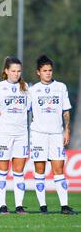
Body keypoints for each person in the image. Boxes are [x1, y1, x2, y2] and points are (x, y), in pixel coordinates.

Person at [29, 55, 77, 215]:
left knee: (59, 169)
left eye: (50, 70)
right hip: (38, 134)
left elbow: (66, 110)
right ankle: (43, 206)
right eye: (44, 71)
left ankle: (64, 206)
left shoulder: (61, 87)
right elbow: (25, 111)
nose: (48, 73)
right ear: (38, 72)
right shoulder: (33, 90)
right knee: (40, 170)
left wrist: (67, 130)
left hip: (56, 134)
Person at [0, 57, 30, 214]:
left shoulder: (25, 87)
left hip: (21, 134)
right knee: (2, 171)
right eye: (13, 71)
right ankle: (3, 205)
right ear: (6, 71)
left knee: (19, 172)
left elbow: (28, 110)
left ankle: (19, 206)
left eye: (19, 71)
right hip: (4, 134)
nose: (16, 74)